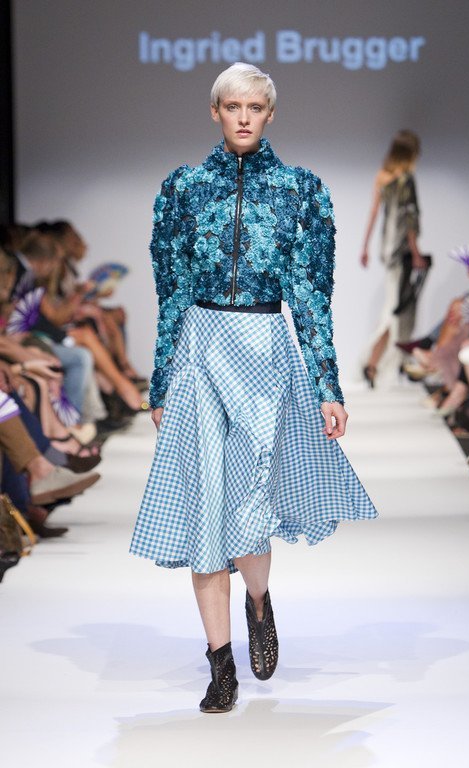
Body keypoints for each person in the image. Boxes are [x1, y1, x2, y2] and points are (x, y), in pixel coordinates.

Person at [129, 63, 377, 713]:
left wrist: (328, 385)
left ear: (270, 114)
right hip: (200, 350)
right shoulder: (183, 189)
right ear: (215, 111)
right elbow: (171, 291)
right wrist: (160, 380)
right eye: (232, 106)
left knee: (247, 506)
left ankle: (258, 601)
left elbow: (312, 296)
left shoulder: (300, 191)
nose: (243, 117)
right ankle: (220, 667)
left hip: (265, 351)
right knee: (206, 508)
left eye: (255, 107)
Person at [360, 129, 428, 387]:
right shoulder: (406, 179)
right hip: (401, 251)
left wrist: (365, 247)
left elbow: (374, 213)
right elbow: (410, 219)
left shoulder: (382, 176)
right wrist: (417, 252)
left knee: (393, 309)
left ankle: (373, 365)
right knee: (395, 312)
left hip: (386, 249)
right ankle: (373, 364)